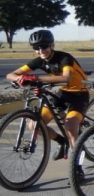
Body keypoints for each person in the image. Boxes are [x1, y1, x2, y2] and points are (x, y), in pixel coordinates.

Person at [6, 30, 89, 160]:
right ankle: (62, 141)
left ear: (51, 45)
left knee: (71, 128)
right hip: (62, 93)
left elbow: (66, 78)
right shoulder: (39, 60)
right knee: (34, 125)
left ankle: (77, 167)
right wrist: (20, 78)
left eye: (44, 46)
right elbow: (10, 75)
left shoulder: (64, 58)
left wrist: (35, 78)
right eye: (36, 48)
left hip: (79, 94)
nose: (40, 51)